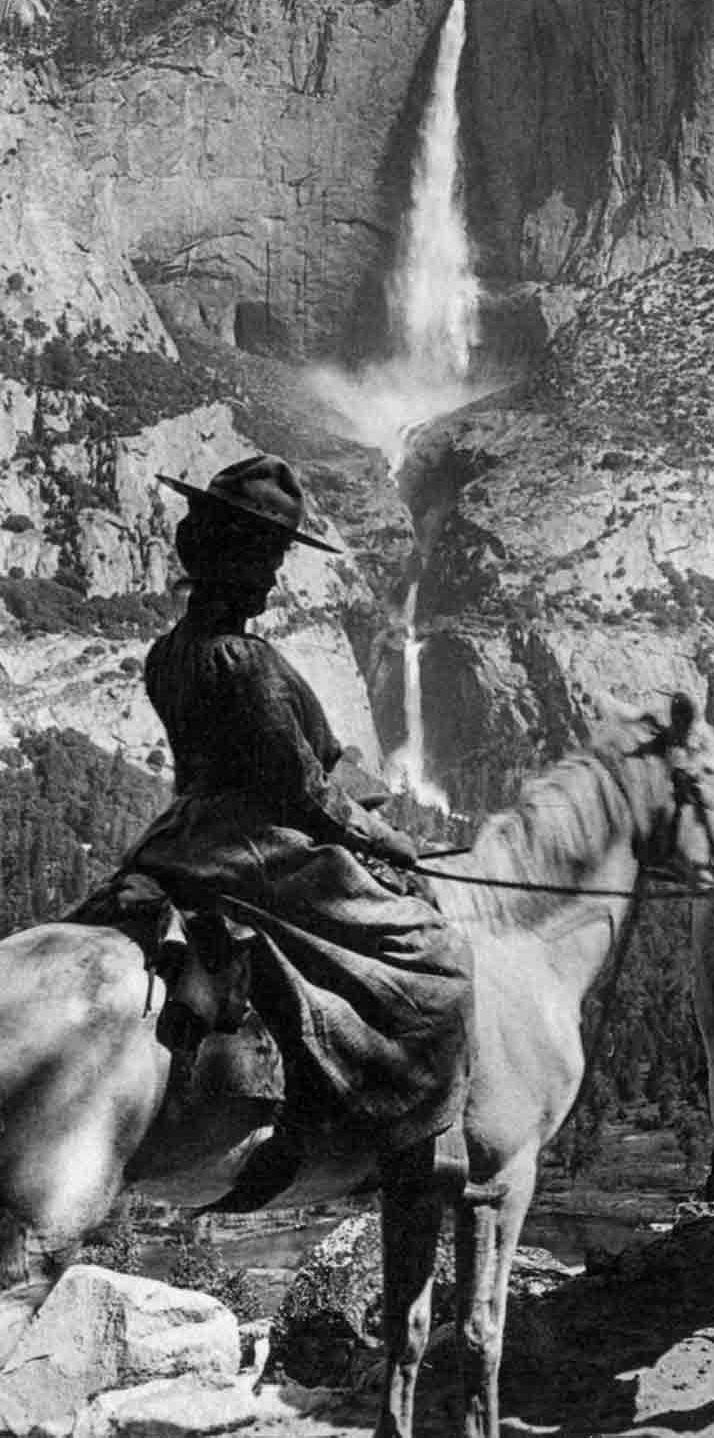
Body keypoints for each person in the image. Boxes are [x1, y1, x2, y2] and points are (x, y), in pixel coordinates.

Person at [95, 455, 474, 1170]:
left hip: (176, 839)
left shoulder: (166, 652)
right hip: (260, 851)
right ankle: (424, 1134)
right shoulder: (250, 665)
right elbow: (305, 794)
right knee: (437, 956)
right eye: (267, 555)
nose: (273, 574)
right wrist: (389, 837)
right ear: (231, 553)